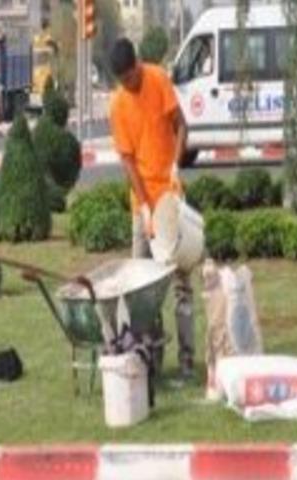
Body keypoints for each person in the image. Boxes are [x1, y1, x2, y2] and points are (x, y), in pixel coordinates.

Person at [108, 38, 195, 381]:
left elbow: (181, 125)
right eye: (123, 82)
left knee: (180, 282)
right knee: (141, 287)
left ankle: (187, 360)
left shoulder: (158, 79)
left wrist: (176, 167)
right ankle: (151, 359)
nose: (129, 85)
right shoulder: (117, 105)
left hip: (171, 197)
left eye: (131, 78)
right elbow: (128, 162)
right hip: (142, 203)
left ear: (138, 65)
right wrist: (144, 205)